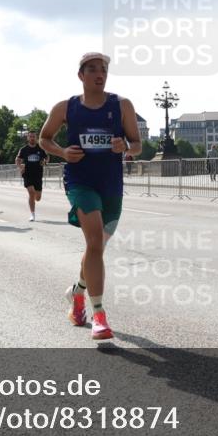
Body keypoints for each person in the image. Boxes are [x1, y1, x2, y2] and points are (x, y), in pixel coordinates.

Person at [39, 51, 142, 340]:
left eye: (104, 69)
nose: (100, 73)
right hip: (80, 182)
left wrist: (126, 146)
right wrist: (62, 152)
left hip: (111, 185)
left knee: (96, 249)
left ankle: (77, 293)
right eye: (93, 69)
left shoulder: (121, 105)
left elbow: (138, 145)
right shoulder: (66, 107)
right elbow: (45, 138)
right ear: (81, 75)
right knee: (94, 241)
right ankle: (99, 316)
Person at [16, 129, 46, 221]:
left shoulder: (40, 148)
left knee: (38, 198)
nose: (32, 138)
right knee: (31, 192)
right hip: (27, 174)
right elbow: (17, 159)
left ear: (36, 138)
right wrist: (20, 166)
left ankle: (35, 200)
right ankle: (32, 214)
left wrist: (45, 161)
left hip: (38, 175)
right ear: (28, 138)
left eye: (34, 136)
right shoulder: (24, 149)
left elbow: (46, 157)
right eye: (30, 136)